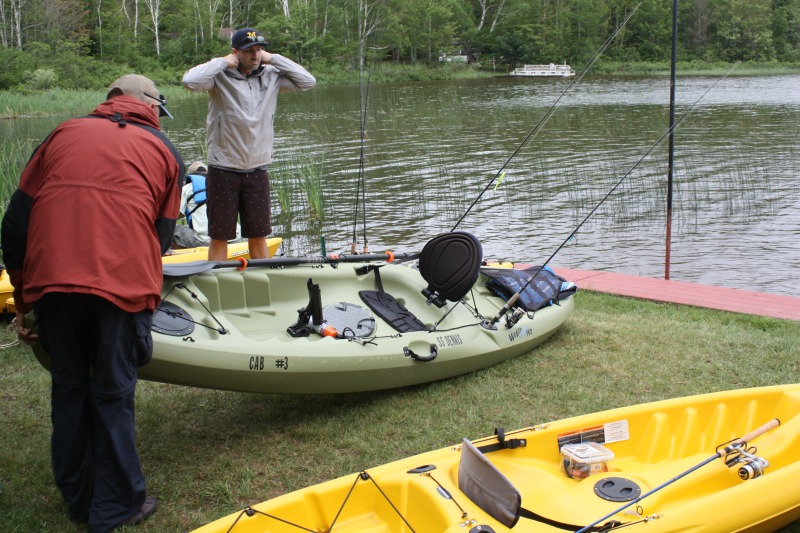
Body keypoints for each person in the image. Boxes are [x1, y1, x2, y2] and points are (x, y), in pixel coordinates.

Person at [1, 74, 183, 532]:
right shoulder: (165, 151)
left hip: (54, 283)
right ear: (150, 108)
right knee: (112, 392)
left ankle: (79, 500)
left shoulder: (61, 134)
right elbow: (160, 237)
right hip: (120, 287)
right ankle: (118, 506)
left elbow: (16, 222)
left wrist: (25, 300)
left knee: (69, 389)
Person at [182, 27, 316, 260]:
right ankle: (218, 285)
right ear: (236, 53)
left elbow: (308, 82)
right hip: (223, 169)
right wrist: (223, 62)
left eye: (259, 49)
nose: (255, 55)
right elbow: (189, 81)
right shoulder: (218, 77)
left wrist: (273, 58)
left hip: (257, 169)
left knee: (258, 235)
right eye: (249, 51)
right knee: (219, 236)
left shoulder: (271, 75)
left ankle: (261, 284)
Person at [172, 161, 241, 249]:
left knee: (172, 228)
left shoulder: (186, 189)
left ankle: (180, 257)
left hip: (205, 242)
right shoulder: (222, 186)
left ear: (191, 175)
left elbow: (173, 216)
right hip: (236, 238)